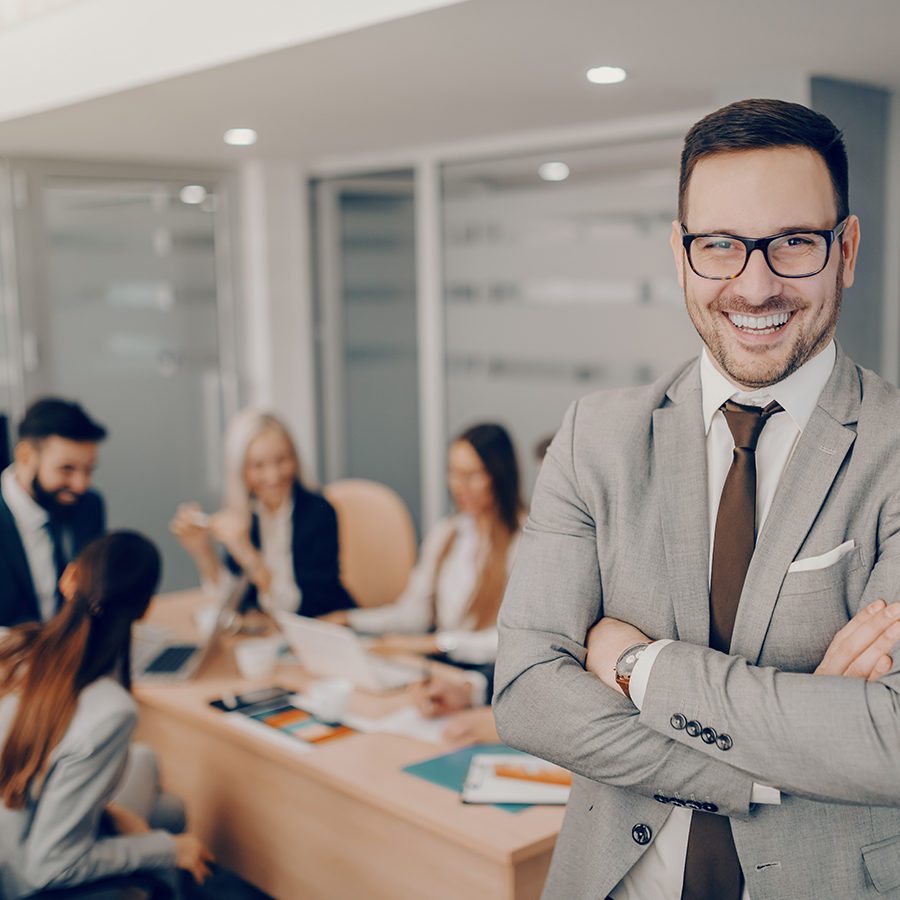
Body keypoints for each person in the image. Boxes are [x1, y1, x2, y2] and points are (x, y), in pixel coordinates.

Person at [494, 98, 900, 900]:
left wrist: (640, 669)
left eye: (792, 243)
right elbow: (527, 692)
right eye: (720, 245)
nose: (754, 286)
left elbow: (892, 740)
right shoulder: (594, 437)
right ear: (681, 255)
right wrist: (774, 758)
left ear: (846, 250)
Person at [0, 531, 213, 898]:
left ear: (69, 578)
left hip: (14, 821)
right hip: (21, 873)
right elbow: (51, 864)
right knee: (169, 825)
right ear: (145, 609)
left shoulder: (12, 645)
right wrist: (166, 848)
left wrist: (110, 812)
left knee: (156, 784)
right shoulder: (110, 710)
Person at [330, 423, 523, 718]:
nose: (459, 486)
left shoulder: (524, 541)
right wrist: (351, 620)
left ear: (499, 476)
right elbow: (413, 613)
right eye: (454, 473)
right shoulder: (446, 533)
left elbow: (514, 642)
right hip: (441, 670)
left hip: (489, 679)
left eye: (473, 475)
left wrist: (436, 643)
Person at [171, 408, 356, 617]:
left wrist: (248, 555)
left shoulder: (319, 513)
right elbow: (230, 605)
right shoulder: (244, 515)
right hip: (268, 639)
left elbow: (296, 610)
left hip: (323, 628)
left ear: (295, 458)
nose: (273, 476)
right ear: (241, 471)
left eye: (281, 460)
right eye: (258, 465)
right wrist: (203, 552)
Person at [0, 398, 107, 627]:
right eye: (66, 469)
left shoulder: (89, 505)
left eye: (88, 470)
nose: (80, 485)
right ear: (25, 456)